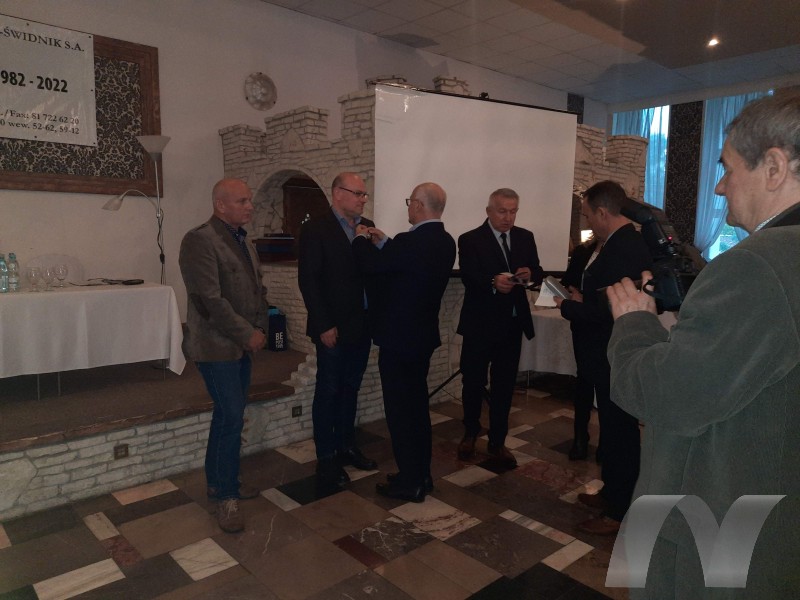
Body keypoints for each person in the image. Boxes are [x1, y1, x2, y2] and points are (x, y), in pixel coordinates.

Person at [605, 93, 800, 597]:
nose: (718, 186)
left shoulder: (757, 263)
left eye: (728, 169)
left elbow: (667, 396)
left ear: (774, 167)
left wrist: (634, 323)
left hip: (719, 518)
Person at [554, 181, 652, 536]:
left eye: (587, 215)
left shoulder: (626, 247)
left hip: (615, 353)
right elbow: (602, 297)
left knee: (620, 431)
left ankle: (619, 509)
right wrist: (584, 298)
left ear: (603, 212)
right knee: (611, 430)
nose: (587, 222)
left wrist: (568, 306)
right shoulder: (614, 243)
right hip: (605, 353)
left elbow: (610, 311)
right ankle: (612, 493)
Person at [352, 182, 455, 502]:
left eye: (411, 201)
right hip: (421, 338)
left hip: (398, 341)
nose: (409, 206)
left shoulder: (410, 242)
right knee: (417, 411)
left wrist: (360, 238)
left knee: (400, 414)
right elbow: (404, 264)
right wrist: (385, 242)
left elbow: (371, 265)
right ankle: (421, 474)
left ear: (420, 206)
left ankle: (410, 483)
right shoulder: (445, 241)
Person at [179, 178, 268, 533]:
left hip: (241, 345)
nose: (250, 206)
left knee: (228, 415)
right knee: (231, 416)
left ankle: (219, 482)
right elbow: (209, 301)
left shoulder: (243, 240)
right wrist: (248, 333)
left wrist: (260, 327)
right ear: (220, 205)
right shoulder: (199, 240)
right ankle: (227, 498)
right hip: (215, 346)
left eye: (249, 201)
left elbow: (258, 289)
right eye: (242, 201)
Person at [297, 172, 378, 489]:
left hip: (362, 324)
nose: (363, 199)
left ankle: (346, 445)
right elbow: (309, 280)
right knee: (328, 391)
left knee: (350, 388)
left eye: (364, 194)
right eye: (358, 193)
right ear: (337, 193)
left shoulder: (366, 226)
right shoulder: (316, 229)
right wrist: (323, 324)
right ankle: (326, 457)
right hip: (332, 327)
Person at [456, 188, 543, 468]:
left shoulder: (525, 237)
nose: (508, 217)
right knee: (473, 381)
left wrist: (530, 274)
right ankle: (470, 432)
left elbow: (537, 270)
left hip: (512, 324)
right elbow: (469, 276)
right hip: (480, 324)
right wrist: (493, 282)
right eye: (503, 211)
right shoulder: (470, 239)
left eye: (513, 211)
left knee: (504, 385)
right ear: (489, 211)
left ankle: (497, 441)